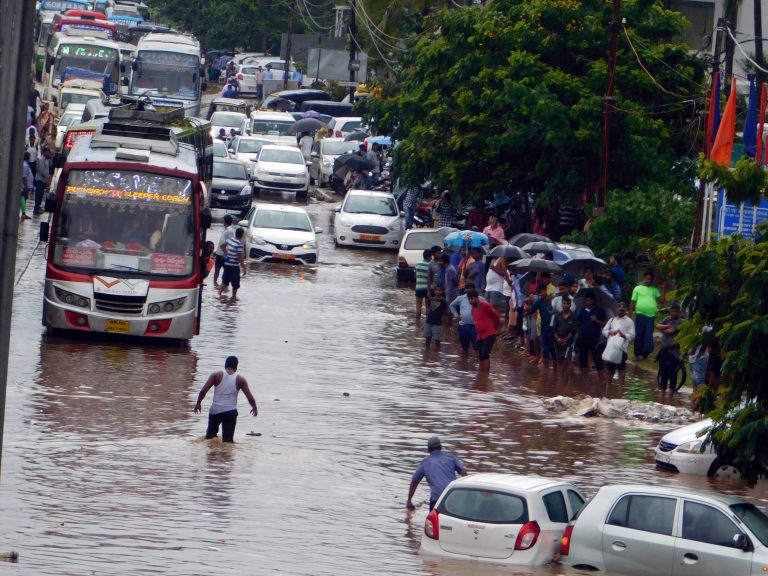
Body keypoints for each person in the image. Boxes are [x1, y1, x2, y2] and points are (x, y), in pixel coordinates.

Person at [194, 356, 258, 443]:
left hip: (215, 411)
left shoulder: (216, 375)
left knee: (210, 438)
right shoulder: (240, 379)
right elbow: (249, 396)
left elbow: (203, 390)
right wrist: (254, 407)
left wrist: (198, 403)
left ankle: (212, 452)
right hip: (230, 412)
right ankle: (226, 452)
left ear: (225, 365)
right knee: (228, 442)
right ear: (236, 366)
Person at [407, 436, 466, 511]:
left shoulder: (425, 462)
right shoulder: (451, 457)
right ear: (440, 447)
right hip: (453, 496)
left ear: (428, 449)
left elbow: (414, 482)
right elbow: (463, 472)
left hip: (437, 499)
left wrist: (409, 500)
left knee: (433, 518)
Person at [629, 271, 661, 360]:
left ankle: (645, 354)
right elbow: (633, 302)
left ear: (652, 281)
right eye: (647, 279)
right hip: (640, 315)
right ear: (644, 278)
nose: (648, 281)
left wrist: (663, 288)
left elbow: (662, 300)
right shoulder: (637, 288)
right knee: (638, 335)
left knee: (648, 335)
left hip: (651, 316)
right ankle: (636, 354)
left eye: (650, 279)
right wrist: (629, 314)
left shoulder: (654, 290)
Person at [602, 302, 635, 385]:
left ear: (626, 311)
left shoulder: (629, 321)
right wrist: (610, 332)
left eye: (623, 310)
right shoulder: (611, 320)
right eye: (620, 310)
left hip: (622, 349)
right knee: (610, 370)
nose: (621, 312)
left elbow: (632, 335)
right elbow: (604, 331)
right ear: (616, 310)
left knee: (621, 370)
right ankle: (607, 388)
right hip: (611, 349)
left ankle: (621, 388)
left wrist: (623, 335)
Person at [468, 289, 500, 371]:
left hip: (489, 334)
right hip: (480, 336)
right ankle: (480, 374)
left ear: (477, 298)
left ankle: (485, 375)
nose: (471, 301)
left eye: (472, 298)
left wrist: (496, 328)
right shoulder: (472, 310)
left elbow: (496, 316)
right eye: (469, 299)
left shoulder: (485, 305)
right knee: (480, 355)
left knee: (485, 355)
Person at [450, 283, 484, 360]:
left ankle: (479, 362)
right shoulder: (460, 298)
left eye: (471, 288)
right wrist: (456, 315)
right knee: (464, 347)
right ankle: (464, 363)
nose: (469, 290)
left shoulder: (480, 299)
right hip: (463, 325)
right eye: (467, 288)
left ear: (474, 289)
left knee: (477, 347)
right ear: (465, 289)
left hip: (476, 326)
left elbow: (488, 307)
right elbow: (452, 305)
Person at [576, 291, 606, 372]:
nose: (588, 302)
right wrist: (578, 334)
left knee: (597, 358)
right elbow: (578, 323)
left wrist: (596, 320)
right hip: (582, 338)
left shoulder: (600, 310)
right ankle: (584, 377)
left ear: (594, 300)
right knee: (582, 360)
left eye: (590, 300)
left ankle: (601, 376)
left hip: (595, 339)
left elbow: (605, 324)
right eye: (587, 300)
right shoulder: (582, 310)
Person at [657, 303, 683, 393]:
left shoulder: (680, 321)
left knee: (672, 374)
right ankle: (662, 392)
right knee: (663, 373)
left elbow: (671, 331)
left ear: (679, 312)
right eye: (673, 311)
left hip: (673, 352)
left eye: (677, 312)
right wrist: (667, 326)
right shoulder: (667, 319)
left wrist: (663, 328)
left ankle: (670, 393)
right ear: (671, 311)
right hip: (664, 351)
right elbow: (658, 325)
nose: (675, 313)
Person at [218, 227, 247, 299]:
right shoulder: (239, 244)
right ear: (242, 235)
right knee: (235, 284)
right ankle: (233, 297)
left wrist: (227, 253)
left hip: (227, 265)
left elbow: (221, 246)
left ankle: (219, 295)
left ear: (236, 233)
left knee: (225, 281)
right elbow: (241, 259)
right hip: (234, 267)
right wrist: (244, 268)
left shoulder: (230, 240)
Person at [552, 296, 578, 370]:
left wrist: (565, 339)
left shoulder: (574, 316)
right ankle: (560, 377)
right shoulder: (557, 316)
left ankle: (569, 377)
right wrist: (558, 339)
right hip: (558, 342)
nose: (565, 305)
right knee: (559, 361)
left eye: (567, 304)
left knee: (567, 361)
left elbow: (573, 331)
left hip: (569, 343)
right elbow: (554, 330)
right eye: (564, 303)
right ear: (561, 305)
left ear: (570, 305)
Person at [531, 284, 554, 367]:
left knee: (552, 348)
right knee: (545, 348)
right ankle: (545, 366)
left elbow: (552, 310)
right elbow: (531, 310)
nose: (541, 294)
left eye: (542, 292)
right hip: (544, 326)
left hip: (553, 328)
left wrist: (550, 301)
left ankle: (555, 368)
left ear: (546, 290)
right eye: (539, 293)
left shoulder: (553, 299)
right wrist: (530, 302)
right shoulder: (539, 301)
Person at [484, 254, 507, 324]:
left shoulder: (501, 259)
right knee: (487, 307)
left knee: (494, 308)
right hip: (488, 288)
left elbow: (504, 273)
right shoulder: (492, 260)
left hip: (496, 287)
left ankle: (496, 325)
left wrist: (494, 269)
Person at [213, 215, 235, 286]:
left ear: (225, 221)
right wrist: (216, 251)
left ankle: (222, 285)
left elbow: (228, 243)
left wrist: (226, 253)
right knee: (218, 270)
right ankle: (216, 284)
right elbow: (223, 242)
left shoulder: (229, 231)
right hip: (220, 253)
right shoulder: (227, 230)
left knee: (224, 271)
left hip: (223, 254)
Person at [424, 285, 447, 350]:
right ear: (434, 291)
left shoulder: (444, 301)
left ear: (442, 292)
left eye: (439, 290)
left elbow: (445, 314)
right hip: (428, 322)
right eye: (436, 290)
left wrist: (444, 326)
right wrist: (425, 321)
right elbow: (428, 310)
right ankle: (427, 353)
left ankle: (437, 354)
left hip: (438, 324)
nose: (437, 292)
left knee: (437, 341)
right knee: (427, 340)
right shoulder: (430, 299)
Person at [33, 146, 52, 215]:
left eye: (49, 152)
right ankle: (36, 209)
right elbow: (41, 170)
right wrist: (46, 177)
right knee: (39, 195)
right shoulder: (41, 159)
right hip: (40, 180)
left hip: (43, 180)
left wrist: (48, 177)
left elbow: (46, 170)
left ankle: (37, 208)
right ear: (44, 152)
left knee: (40, 195)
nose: (48, 154)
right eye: (47, 152)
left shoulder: (46, 160)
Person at [414, 249, 431, 320]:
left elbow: (415, 275)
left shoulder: (417, 264)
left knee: (418, 307)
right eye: (431, 256)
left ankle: (417, 322)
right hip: (427, 289)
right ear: (428, 257)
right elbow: (430, 277)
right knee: (428, 307)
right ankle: (427, 322)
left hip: (419, 288)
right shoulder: (430, 265)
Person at [21, 152, 33, 220]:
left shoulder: (25, 164)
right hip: (24, 186)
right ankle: (23, 213)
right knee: (23, 199)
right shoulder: (25, 165)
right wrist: (26, 187)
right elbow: (24, 177)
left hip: (25, 186)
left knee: (23, 199)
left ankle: (23, 213)